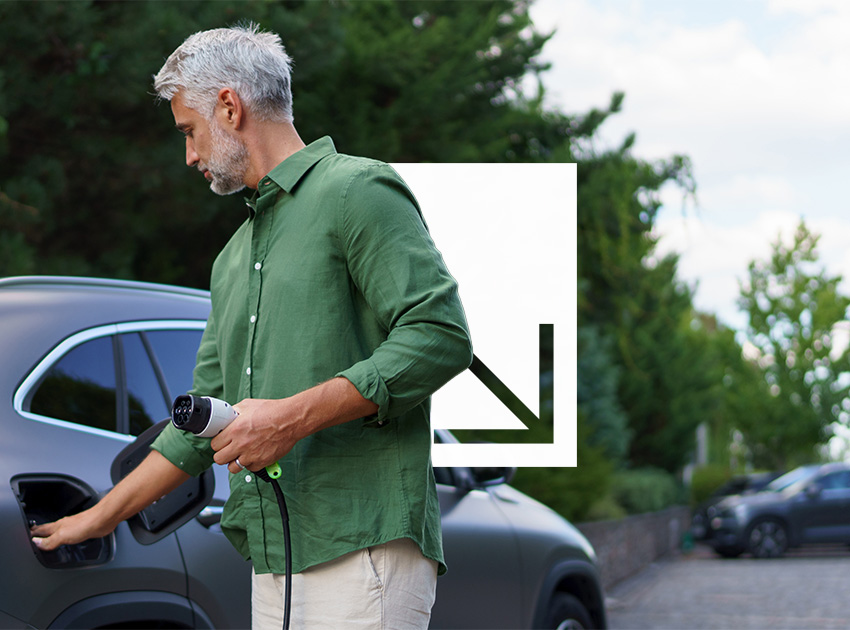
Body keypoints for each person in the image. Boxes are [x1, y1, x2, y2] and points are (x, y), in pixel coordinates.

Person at [31, 23, 472, 630]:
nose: (188, 155)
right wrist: (99, 517)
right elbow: (197, 423)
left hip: (361, 546)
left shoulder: (357, 191)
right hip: (271, 560)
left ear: (230, 107)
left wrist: (291, 418)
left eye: (189, 131)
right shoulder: (233, 257)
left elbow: (440, 335)